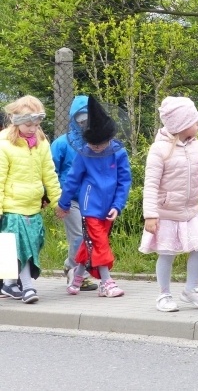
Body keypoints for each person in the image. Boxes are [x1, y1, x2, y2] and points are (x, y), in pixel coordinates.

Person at [139, 96, 198, 312]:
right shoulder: (159, 149)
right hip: (167, 213)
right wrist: (150, 215)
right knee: (167, 252)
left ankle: (191, 289)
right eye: (194, 120)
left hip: (191, 212)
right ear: (180, 124)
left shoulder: (197, 147)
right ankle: (164, 294)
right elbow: (150, 185)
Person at [56, 96, 132, 298]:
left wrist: (118, 205)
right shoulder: (83, 153)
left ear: (109, 138)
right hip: (89, 207)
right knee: (99, 242)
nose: (96, 148)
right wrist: (63, 204)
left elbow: (124, 181)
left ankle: (77, 278)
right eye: (92, 144)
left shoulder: (118, 153)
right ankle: (106, 282)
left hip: (109, 208)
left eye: (100, 144)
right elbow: (72, 180)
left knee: (88, 243)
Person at [0, 95, 62, 303]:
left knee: (22, 245)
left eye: (36, 124)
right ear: (16, 120)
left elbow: (49, 174)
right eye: (28, 124)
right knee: (22, 245)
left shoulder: (42, 143)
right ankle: (28, 287)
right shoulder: (4, 144)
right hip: (12, 204)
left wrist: (57, 201)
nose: (33, 128)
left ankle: (9, 284)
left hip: (32, 204)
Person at [50, 95, 97, 293]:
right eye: (81, 118)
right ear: (73, 118)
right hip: (70, 199)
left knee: (91, 238)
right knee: (78, 236)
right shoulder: (61, 144)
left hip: (92, 199)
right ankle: (75, 269)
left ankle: (75, 268)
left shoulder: (97, 143)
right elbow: (50, 170)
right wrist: (56, 198)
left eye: (88, 117)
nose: (84, 122)